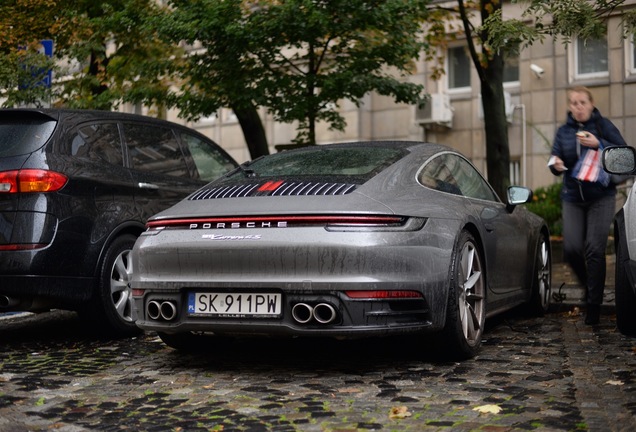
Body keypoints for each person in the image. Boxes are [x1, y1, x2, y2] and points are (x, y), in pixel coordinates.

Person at [549, 86, 627, 325]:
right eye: (573, 103)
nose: (578, 107)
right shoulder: (563, 131)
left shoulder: (604, 126)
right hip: (572, 196)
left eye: (582, 102)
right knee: (571, 250)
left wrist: (598, 143)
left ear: (591, 104)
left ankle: (593, 306)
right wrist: (556, 164)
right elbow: (554, 157)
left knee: (594, 250)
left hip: (601, 196)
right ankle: (591, 288)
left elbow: (623, 155)